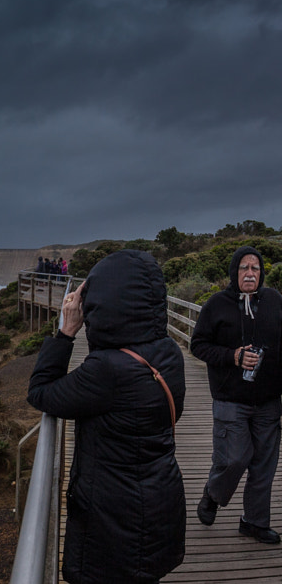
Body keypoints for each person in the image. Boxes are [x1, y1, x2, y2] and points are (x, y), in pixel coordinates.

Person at [29, 249, 186, 582]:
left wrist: (65, 332)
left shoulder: (106, 371)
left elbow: (40, 392)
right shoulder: (169, 352)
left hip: (113, 521)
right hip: (160, 504)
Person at [191, 246, 282, 543]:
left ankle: (254, 522)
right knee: (235, 458)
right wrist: (232, 356)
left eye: (255, 268)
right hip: (230, 398)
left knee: (264, 466)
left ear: (262, 273)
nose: (250, 273)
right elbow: (198, 345)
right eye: (244, 267)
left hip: (269, 401)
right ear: (234, 272)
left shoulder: (274, 301)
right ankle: (212, 494)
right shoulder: (216, 305)